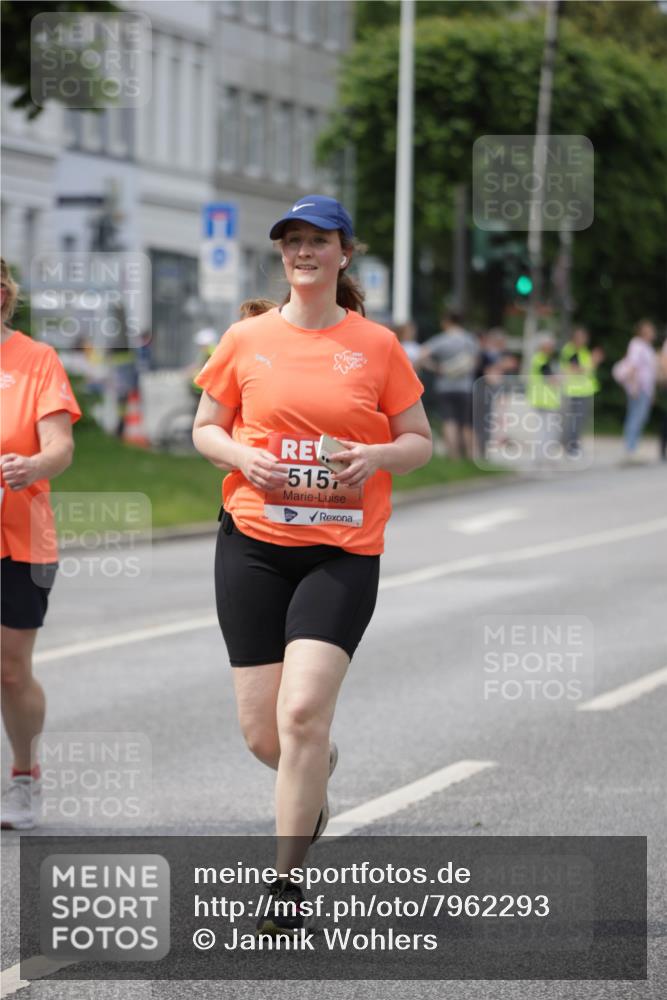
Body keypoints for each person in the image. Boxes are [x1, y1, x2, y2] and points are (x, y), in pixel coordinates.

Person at [192, 194, 432, 935]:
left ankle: (285, 882)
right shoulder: (246, 338)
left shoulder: (376, 346)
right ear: (282, 254)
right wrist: (242, 458)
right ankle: (314, 772)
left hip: (341, 550)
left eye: (318, 240)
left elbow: (419, 441)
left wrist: (376, 455)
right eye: (292, 240)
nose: (303, 251)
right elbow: (206, 428)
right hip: (253, 544)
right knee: (263, 734)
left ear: (343, 254)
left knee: (300, 714)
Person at [0, 258, 81, 830]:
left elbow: (60, 448)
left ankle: (25, 776)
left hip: (20, 539)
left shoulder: (36, 360)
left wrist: (32, 466)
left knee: (9, 670)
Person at [417, 311, 478, 460]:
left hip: (445, 386)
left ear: (447, 321)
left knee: (449, 421)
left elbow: (422, 355)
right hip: (465, 387)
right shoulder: (470, 340)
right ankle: (470, 455)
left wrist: (436, 368)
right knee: (466, 422)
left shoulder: (441, 339)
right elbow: (475, 361)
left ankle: (453, 456)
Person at [616, 320, 657, 461]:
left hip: (646, 389)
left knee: (641, 418)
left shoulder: (647, 347)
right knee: (635, 417)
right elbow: (633, 366)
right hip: (638, 388)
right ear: (643, 331)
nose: (653, 333)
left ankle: (633, 447)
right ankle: (630, 449)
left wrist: (652, 393)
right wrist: (633, 386)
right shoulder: (637, 344)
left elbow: (650, 372)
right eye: (650, 330)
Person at [559, 326, 601, 457]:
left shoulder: (583, 351)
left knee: (579, 420)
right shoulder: (571, 351)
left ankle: (574, 444)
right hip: (575, 391)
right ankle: (571, 447)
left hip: (584, 390)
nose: (584, 340)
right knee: (575, 420)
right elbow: (576, 369)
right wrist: (593, 361)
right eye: (581, 337)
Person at [527, 334, 561, 465]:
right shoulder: (541, 360)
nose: (552, 348)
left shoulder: (543, 359)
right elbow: (551, 379)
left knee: (547, 429)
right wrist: (561, 379)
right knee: (546, 429)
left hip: (546, 399)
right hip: (543, 399)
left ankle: (544, 455)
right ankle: (541, 456)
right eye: (550, 346)